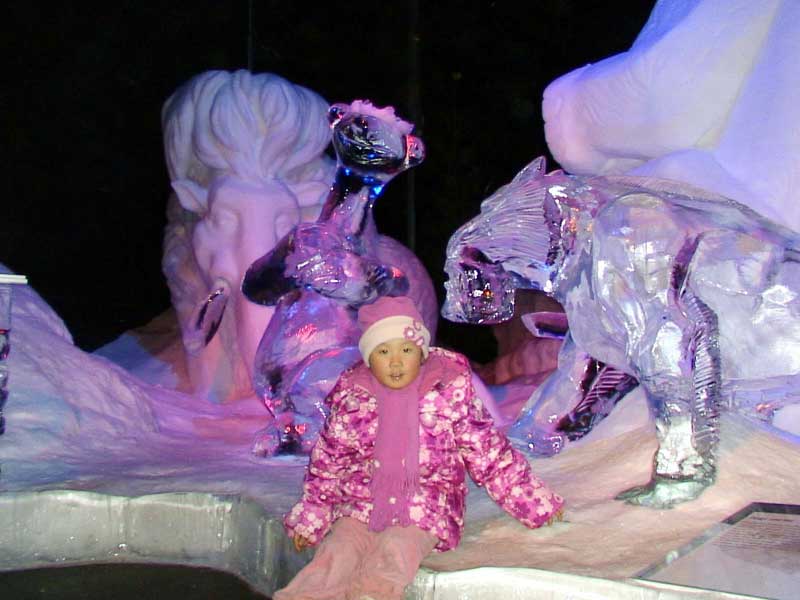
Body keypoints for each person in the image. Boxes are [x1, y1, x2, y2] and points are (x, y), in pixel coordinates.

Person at [274, 296, 564, 600]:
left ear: (422, 352)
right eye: (383, 351)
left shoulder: (447, 393)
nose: (396, 361)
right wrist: (313, 513)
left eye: (406, 350)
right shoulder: (353, 398)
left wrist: (532, 501)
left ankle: (373, 595)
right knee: (339, 550)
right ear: (369, 358)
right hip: (361, 501)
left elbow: (488, 454)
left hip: (426, 505)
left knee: (394, 553)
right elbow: (329, 463)